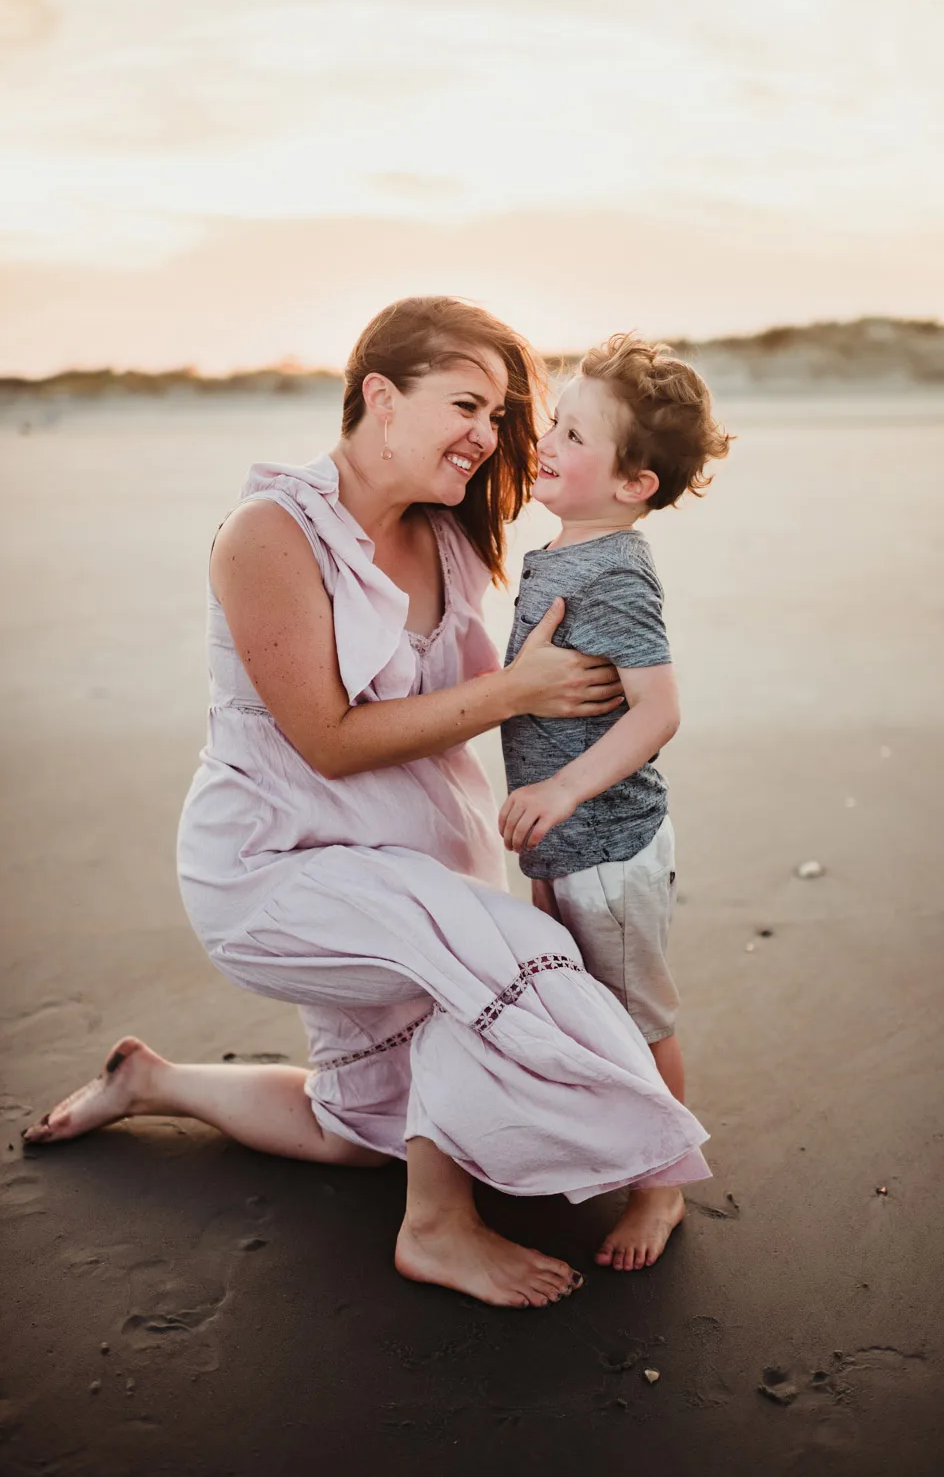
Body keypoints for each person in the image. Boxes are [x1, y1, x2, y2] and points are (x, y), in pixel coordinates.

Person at [23, 299, 710, 1309]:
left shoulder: (448, 530)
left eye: (500, 411)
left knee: (361, 1133)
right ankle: (439, 1226)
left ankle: (154, 1082)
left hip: (414, 873)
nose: (488, 433)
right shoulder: (270, 533)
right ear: (379, 397)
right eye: (465, 404)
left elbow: (592, 535)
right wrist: (518, 691)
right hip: (279, 871)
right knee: (511, 962)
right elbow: (327, 741)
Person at [499, 334, 730, 1271]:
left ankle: (663, 1182)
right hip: (561, 845)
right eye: (554, 422)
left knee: (638, 1016)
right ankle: (601, 1142)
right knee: (578, 1001)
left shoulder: (616, 569)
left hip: (607, 844)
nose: (547, 441)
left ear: (634, 483)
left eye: (575, 435)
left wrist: (560, 786)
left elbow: (658, 710)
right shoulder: (554, 550)